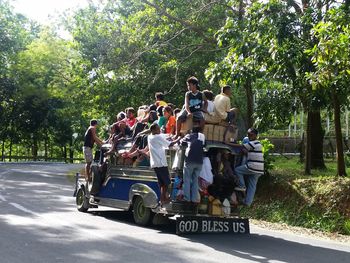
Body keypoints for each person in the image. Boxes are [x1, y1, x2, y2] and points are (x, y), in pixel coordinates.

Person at [147, 123, 179, 206]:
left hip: (155, 163)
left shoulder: (150, 137)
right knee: (167, 182)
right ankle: (164, 198)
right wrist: (179, 138)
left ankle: (162, 199)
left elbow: (163, 137)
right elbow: (170, 144)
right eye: (158, 129)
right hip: (161, 163)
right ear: (154, 130)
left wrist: (170, 137)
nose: (159, 130)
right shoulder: (157, 137)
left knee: (162, 183)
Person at [234, 128, 264, 206]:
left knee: (237, 170)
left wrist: (227, 143)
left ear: (256, 136)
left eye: (251, 135)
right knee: (252, 185)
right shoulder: (258, 144)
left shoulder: (252, 143)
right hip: (260, 168)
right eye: (248, 134)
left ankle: (242, 186)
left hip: (253, 166)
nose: (249, 136)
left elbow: (241, 146)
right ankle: (248, 202)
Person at [181, 125, 206, 203]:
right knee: (195, 180)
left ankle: (187, 198)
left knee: (187, 180)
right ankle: (194, 199)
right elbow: (204, 145)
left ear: (192, 131)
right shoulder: (202, 136)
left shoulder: (189, 135)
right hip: (199, 162)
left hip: (190, 161)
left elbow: (182, 142)